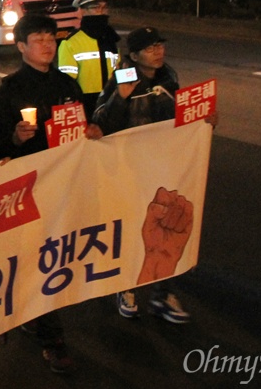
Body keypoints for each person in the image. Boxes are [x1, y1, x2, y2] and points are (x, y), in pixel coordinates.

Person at [0, 13, 102, 374]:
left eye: (51, 38)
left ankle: (34, 316)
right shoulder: (9, 91)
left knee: (55, 258)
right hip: (27, 193)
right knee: (37, 258)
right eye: (39, 39)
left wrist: (91, 130)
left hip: (63, 187)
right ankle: (52, 338)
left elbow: (83, 125)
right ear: (21, 46)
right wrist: (17, 138)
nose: (48, 45)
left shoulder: (67, 84)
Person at [92, 26, 217, 324]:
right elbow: (100, 121)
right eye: (150, 48)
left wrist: (203, 119)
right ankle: (126, 287)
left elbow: (180, 114)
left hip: (163, 165)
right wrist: (120, 98)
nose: (158, 51)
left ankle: (163, 294)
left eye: (160, 45)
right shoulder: (123, 76)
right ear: (134, 56)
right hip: (130, 168)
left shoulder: (168, 76)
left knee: (167, 229)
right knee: (133, 225)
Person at [57, 0, 120, 110]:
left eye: (104, 8)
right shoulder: (70, 43)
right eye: (96, 8)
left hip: (112, 103)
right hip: (85, 106)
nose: (101, 12)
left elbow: (117, 72)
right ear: (82, 11)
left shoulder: (110, 39)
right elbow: (66, 85)